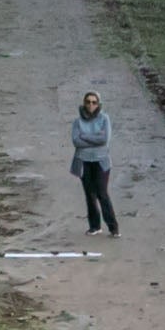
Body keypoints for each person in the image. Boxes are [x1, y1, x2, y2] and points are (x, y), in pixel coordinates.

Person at [71, 90, 118, 236]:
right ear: (84, 103)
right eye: (88, 102)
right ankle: (94, 226)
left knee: (102, 193)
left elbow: (104, 140)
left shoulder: (104, 119)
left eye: (94, 102)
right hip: (83, 161)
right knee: (89, 194)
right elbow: (76, 141)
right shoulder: (77, 122)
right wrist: (94, 138)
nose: (91, 105)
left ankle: (113, 227)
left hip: (101, 162)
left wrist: (85, 136)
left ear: (98, 104)